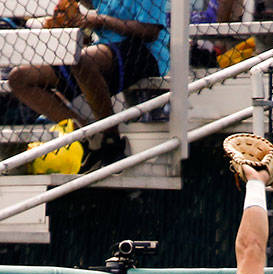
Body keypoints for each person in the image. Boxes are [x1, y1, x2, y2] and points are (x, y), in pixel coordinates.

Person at [8, 0, 169, 173]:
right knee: (19, 78)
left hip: (144, 52)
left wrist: (99, 20)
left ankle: (111, 140)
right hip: (103, 51)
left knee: (81, 59)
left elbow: (150, 32)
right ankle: (89, 137)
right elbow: (89, 3)